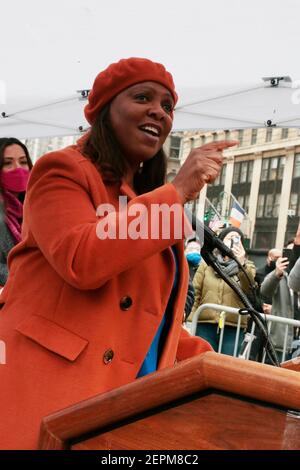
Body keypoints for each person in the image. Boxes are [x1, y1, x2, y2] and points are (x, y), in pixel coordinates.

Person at [0, 57, 237, 449]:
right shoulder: (60, 170)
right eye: (143, 97)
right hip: (51, 401)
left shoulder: (144, 201)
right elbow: (82, 259)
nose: (158, 112)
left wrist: (226, 370)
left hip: (121, 410)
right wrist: (176, 192)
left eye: (167, 106)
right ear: (105, 109)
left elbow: (150, 318)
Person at [188, 226, 256, 356]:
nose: (233, 241)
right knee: (201, 361)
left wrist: (241, 265)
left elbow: (249, 290)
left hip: (233, 328)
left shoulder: (248, 267)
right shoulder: (207, 263)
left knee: (226, 368)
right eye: (230, 238)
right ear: (220, 241)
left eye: (237, 239)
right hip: (205, 324)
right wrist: (191, 321)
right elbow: (195, 293)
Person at [0, 137, 32, 286]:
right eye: (8, 163)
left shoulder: (34, 206)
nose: (18, 168)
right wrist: (25, 275)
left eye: (23, 162)